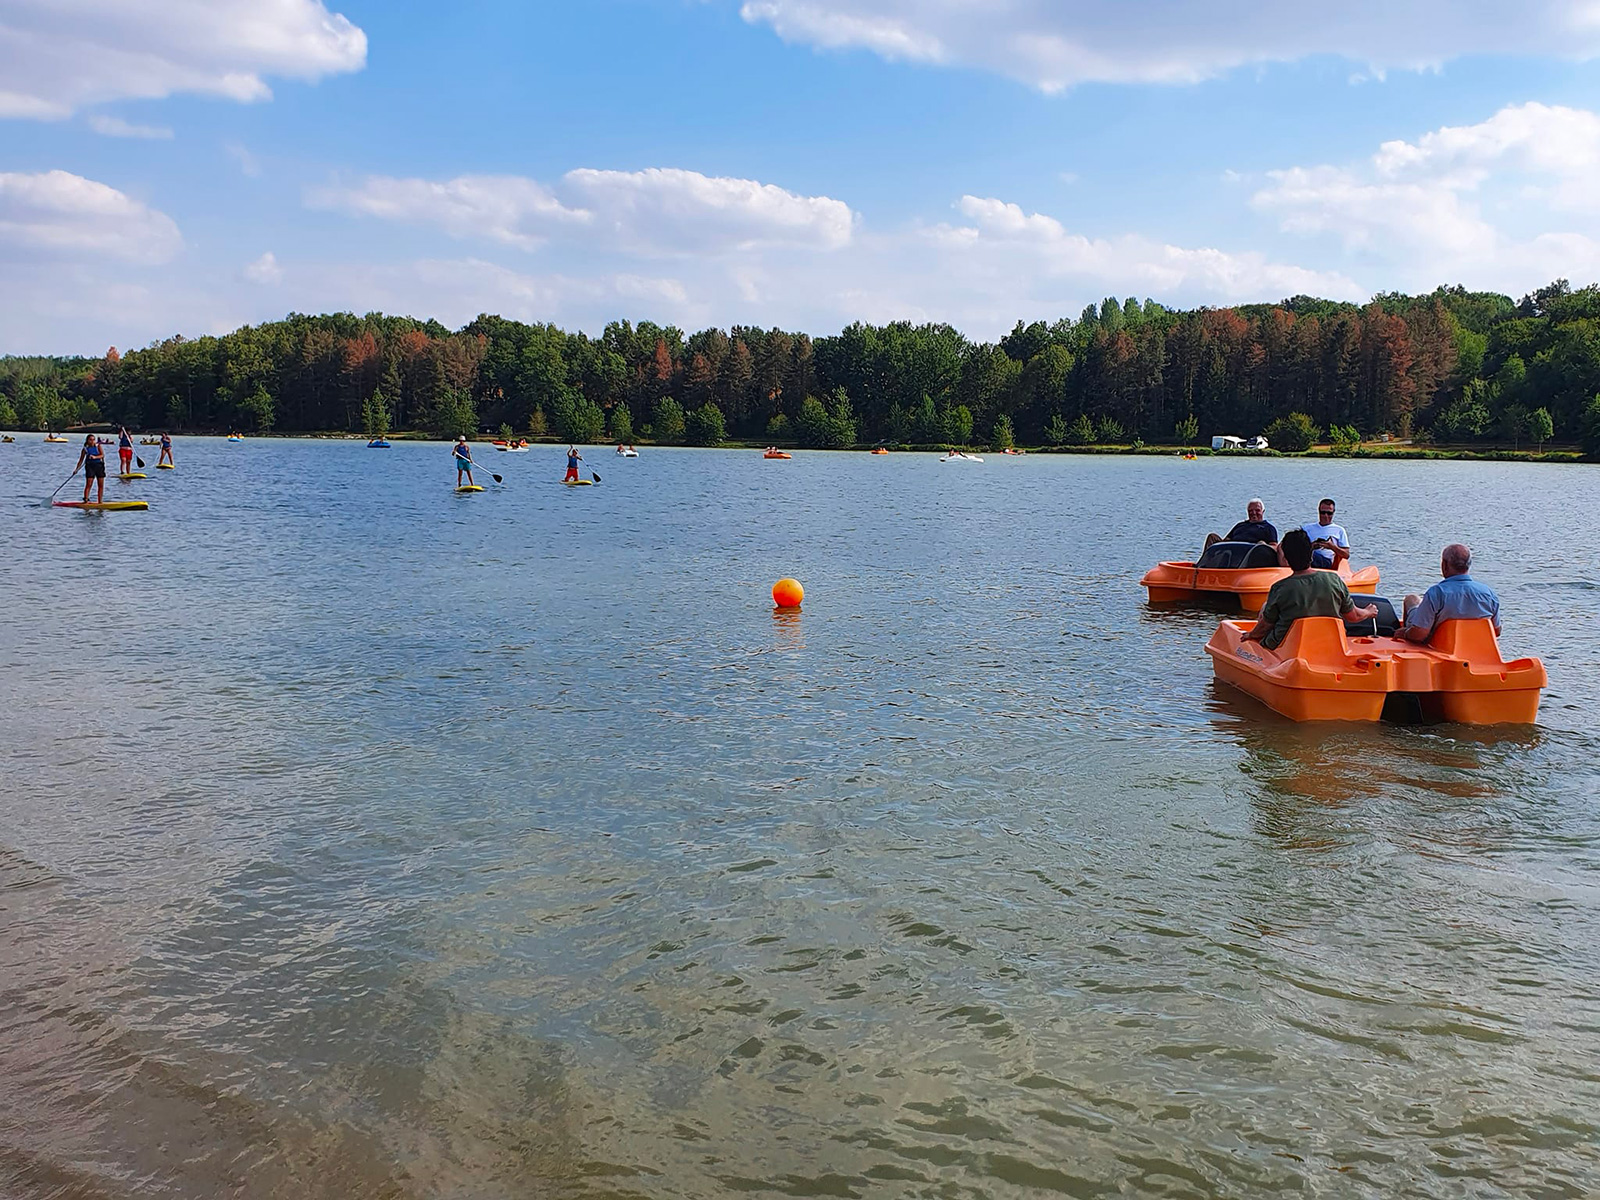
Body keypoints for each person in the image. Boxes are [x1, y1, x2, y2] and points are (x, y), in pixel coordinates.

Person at [1242, 529, 1378, 650]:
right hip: (1330, 644)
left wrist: (1251, 635)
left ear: (1287, 560)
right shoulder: (1335, 580)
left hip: (1287, 647)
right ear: (1311, 556)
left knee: (1266, 607)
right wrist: (1368, 611)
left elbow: (1266, 625)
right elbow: (1353, 616)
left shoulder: (1280, 588)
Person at [1400, 544, 1500, 643]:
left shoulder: (1436, 593)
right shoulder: (1489, 594)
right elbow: (1496, 631)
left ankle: (1406, 644)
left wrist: (1405, 633)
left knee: (1412, 599)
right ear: (1468, 565)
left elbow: (1419, 634)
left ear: (1444, 565)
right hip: (1473, 647)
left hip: (1442, 644)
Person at [1204, 498, 1278, 551]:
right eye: (1251, 511)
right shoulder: (1240, 525)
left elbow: (1275, 547)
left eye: (1257, 510)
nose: (1254, 513)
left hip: (1249, 556)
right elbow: (1226, 540)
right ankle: (1202, 565)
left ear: (1263, 511)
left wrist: (1264, 546)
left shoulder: (1268, 528)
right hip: (1231, 552)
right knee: (1212, 537)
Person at [1301, 498, 1350, 568]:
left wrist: (1331, 546)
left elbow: (1346, 555)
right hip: (1307, 557)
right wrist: (1312, 546)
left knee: (1312, 555)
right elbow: (1298, 547)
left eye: (1329, 513)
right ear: (1319, 511)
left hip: (1325, 561)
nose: (1325, 516)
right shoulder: (1307, 528)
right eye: (1323, 513)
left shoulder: (1339, 530)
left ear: (1333, 513)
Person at [75, 432, 106, 503]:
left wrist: (95, 457)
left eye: (93, 440)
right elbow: (81, 460)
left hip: (99, 466)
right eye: (90, 440)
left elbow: (102, 455)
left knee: (100, 485)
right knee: (89, 484)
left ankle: (100, 501)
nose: (92, 441)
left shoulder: (98, 446)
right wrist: (76, 469)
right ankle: (86, 499)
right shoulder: (85, 449)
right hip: (90, 467)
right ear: (87, 441)